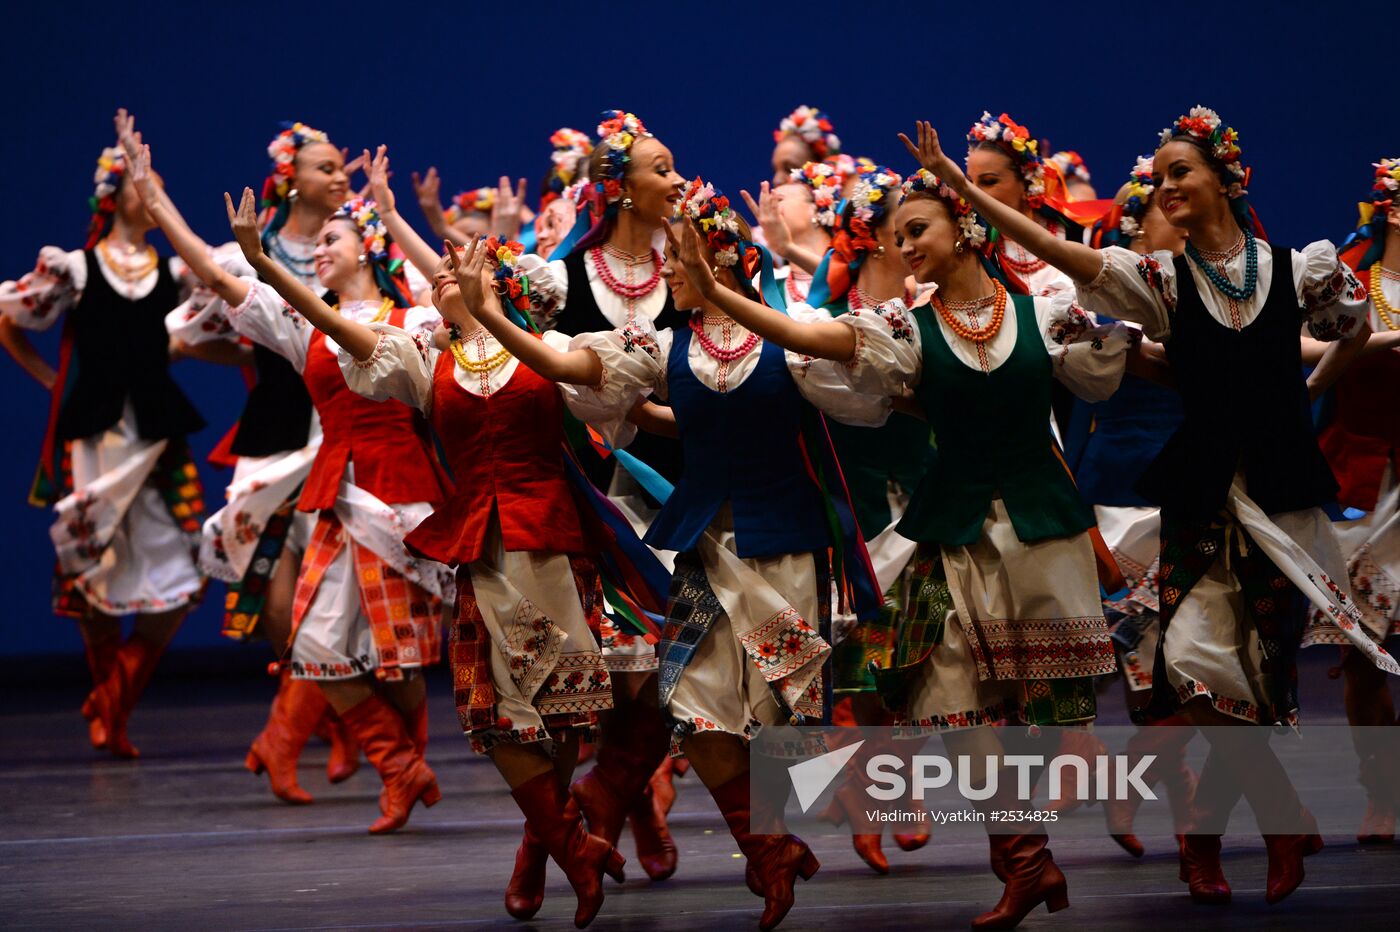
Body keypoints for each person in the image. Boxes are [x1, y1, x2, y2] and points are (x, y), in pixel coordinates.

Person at [921, 107, 1395, 906]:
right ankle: (1278, 818)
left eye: (1180, 172)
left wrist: (1311, 386)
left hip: (1282, 494)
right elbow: (1056, 248)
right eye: (1160, 176)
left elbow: (1349, 327)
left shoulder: (1298, 269)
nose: (1165, 186)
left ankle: (1203, 835)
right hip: (1203, 495)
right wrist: (963, 188)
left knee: (1262, 681)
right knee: (1196, 671)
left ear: (1226, 180)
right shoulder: (1164, 282)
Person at [462, 177, 889, 929]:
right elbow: (581, 377)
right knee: (691, 711)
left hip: (783, 545)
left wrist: (731, 302)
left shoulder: (791, 335)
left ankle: (780, 840)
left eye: (680, 263)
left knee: (779, 712)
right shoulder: (668, 345)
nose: (666, 274)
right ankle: (767, 850)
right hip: (706, 546)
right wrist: (497, 319)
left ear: (713, 263)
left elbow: (855, 374)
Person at [120, 111, 363, 801]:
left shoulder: (355, 245)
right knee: (282, 609)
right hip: (279, 432)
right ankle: (325, 714)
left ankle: (316, 727)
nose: (339, 177)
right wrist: (257, 357)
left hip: (346, 435)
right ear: (291, 180)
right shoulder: (250, 256)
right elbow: (192, 321)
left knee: (334, 600)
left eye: (343, 168)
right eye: (327, 168)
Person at [0, 140, 206, 759]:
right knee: (94, 571)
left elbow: (210, 315)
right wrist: (51, 383)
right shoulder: (77, 269)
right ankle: (111, 714)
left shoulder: (174, 273)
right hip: (94, 440)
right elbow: (10, 318)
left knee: (184, 579)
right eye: (148, 187)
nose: (157, 197)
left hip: (156, 441)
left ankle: (113, 698)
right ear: (115, 196)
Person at [1307, 155, 1400, 844]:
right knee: (1364, 647)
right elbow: (1310, 346)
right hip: (1363, 472)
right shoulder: (1350, 275)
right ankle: (1381, 791)